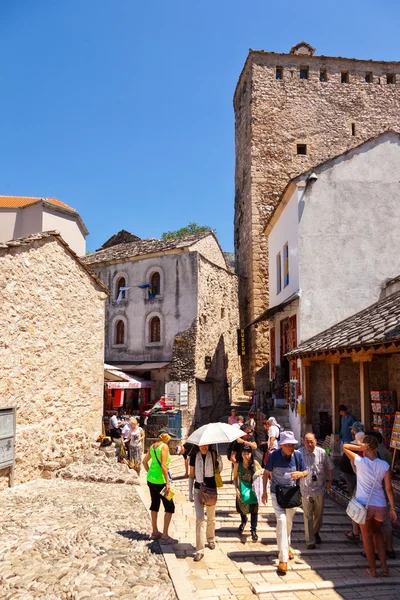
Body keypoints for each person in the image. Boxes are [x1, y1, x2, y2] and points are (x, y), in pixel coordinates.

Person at [343, 435, 397, 577]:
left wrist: (359, 447)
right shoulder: (384, 465)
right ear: (377, 448)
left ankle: (372, 569)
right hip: (380, 505)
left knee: (367, 536)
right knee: (378, 533)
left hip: (364, 505)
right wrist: (392, 508)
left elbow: (345, 447)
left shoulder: (360, 461)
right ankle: (384, 567)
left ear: (365, 448)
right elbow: (389, 489)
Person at [262, 431, 308, 575]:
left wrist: (301, 474)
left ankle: (286, 546)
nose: (291, 447)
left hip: (292, 495)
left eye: (293, 444)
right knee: (281, 520)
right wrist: (263, 491)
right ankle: (283, 559)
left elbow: (305, 471)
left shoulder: (298, 456)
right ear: (281, 445)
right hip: (277, 493)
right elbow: (265, 473)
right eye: (288, 445)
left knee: (287, 523)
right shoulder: (274, 455)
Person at [142, 428, 178, 544]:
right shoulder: (164, 447)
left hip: (151, 480)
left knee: (155, 504)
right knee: (170, 506)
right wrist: (168, 483)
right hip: (161, 482)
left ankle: (155, 532)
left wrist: (150, 473)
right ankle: (165, 535)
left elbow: (144, 462)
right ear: (166, 436)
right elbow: (163, 466)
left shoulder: (153, 446)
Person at [299, 432, 334, 549]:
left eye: (311, 441)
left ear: (315, 441)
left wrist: (330, 481)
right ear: (304, 442)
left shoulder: (322, 453)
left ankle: (315, 531)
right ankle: (310, 541)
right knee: (308, 515)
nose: (309, 444)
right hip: (305, 489)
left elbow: (329, 467)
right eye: (307, 441)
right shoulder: (299, 453)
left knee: (319, 514)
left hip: (319, 488)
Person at [189, 444, 223, 561]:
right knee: (199, 519)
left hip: (210, 490)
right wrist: (190, 492)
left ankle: (210, 539)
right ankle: (200, 550)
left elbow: (219, 470)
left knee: (211, 517)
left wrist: (219, 460)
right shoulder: (194, 456)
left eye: (206, 445)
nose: (204, 447)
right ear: (198, 445)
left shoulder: (213, 454)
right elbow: (192, 475)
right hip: (198, 490)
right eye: (201, 445)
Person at [366, 430, 396, 559]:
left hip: (373, 491)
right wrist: (393, 507)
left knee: (373, 527)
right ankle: (390, 548)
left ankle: (376, 551)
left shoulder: (372, 455)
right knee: (386, 523)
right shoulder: (388, 453)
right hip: (384, 489)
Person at [341, 421, 364, 542]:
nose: (352, 432)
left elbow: (354, 465)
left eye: (354, 430)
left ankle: (356, 532)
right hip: (352, 476)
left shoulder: (361, 454)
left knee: (355, 502)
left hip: (357, 480)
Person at [233, 445, 262, 541]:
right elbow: (235, 478)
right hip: (242, 489)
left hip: (253, 490)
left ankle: (253, 530)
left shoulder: (255, 463)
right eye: (244, 453)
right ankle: (243, 520)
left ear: (251, 454)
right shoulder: (238, 464)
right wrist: (236, 489)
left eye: (248, 453)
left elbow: (262, 472)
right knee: (241, 508)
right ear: (241, 454)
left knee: (254, 510)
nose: (246, 456)